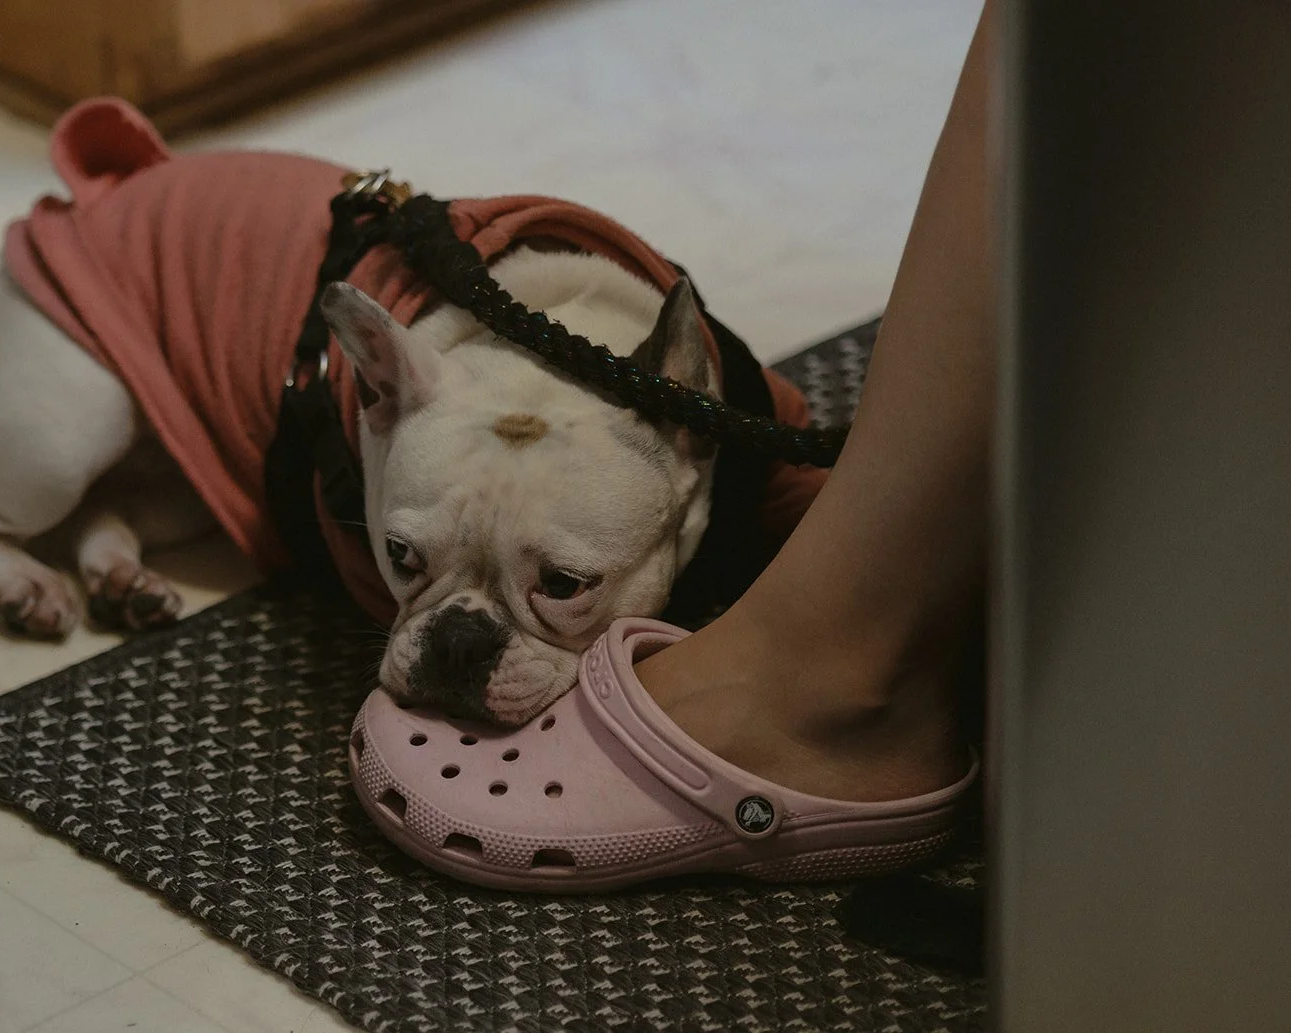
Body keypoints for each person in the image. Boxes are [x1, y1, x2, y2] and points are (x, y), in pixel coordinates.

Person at [354, 2, 996, 890]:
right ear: (383, 399)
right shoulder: (403, 417)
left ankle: (866, 658)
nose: (462, 643)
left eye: (562, 587)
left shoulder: (703, 404)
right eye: (408, 561)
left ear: (688, 431)